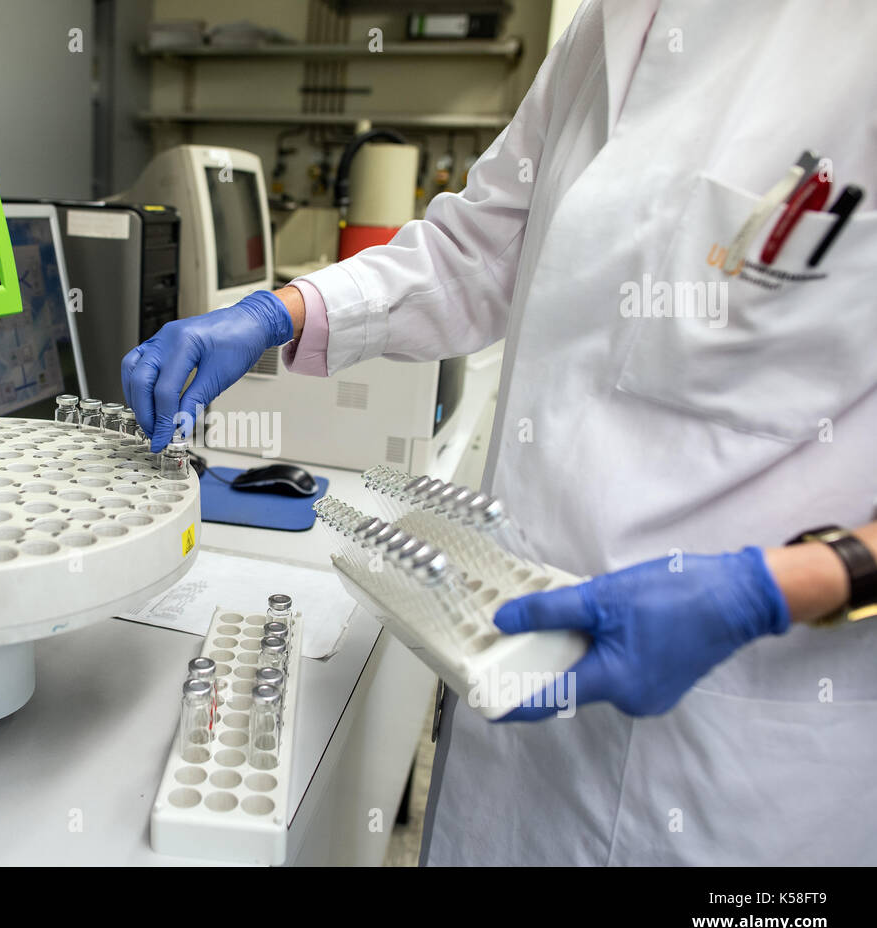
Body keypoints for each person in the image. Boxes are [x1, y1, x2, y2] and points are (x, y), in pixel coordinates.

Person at [121, 0, 877, 865]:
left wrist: (786, 586)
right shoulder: (609, 27)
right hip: (514, 697)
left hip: (741, 759)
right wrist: (277, 311)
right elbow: (476, 250)